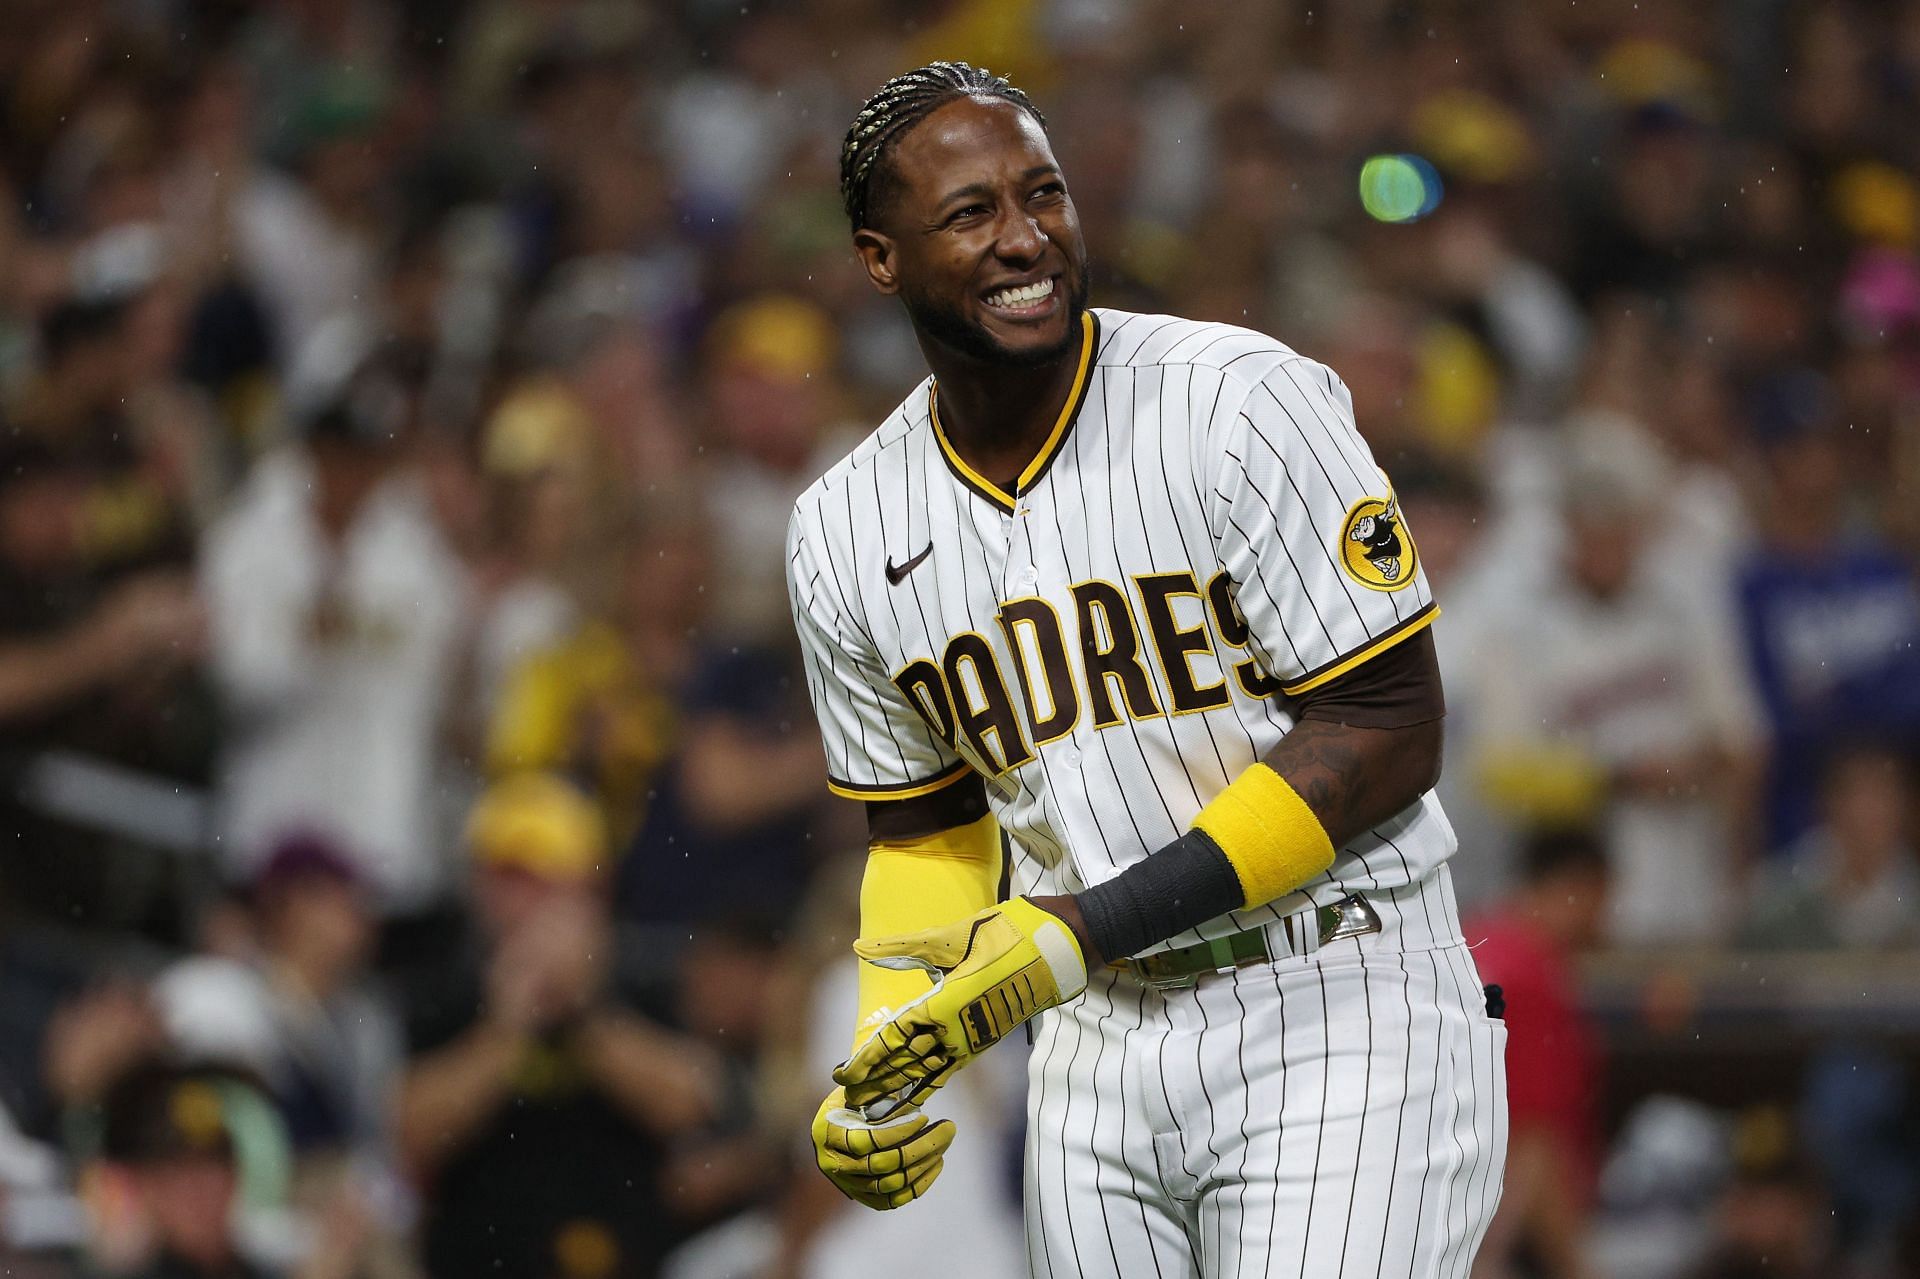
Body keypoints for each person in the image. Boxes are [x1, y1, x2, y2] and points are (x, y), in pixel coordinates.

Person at [787, 63, 1506, 1276]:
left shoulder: (1240, 399)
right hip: (1092, 1050)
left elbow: (1388, 726)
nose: (1027, 239)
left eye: (1045, 194)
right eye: (971, 213)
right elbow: (927, 832)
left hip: (1336, 989)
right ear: (880, 258)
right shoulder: (843, 525)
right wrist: (890, 1046)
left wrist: (1080, 928)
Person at [1465, 828, 1611, 1279]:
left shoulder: (1471, 940)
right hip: (1494, 1231)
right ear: (1577, 887)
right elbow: (1531, 1143)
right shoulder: (1532, 973)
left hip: (1432, 1206)